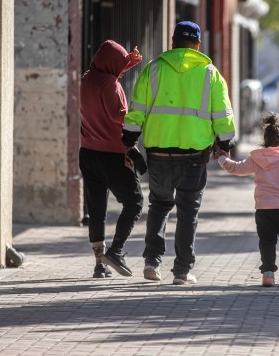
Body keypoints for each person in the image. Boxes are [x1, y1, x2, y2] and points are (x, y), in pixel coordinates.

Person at [122, 21, 235, 285]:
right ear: (197, 45)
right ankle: (182, 271)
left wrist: (129, 139)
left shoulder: (153, 69)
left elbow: (136, 109)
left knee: (159, 205)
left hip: (159, 152)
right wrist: (225, 143)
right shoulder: (210, 73)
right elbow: (223, 114)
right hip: (194, 155)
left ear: (172, 42)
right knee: (188, 211)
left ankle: (152, 261)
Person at [215, 112, 279, 287]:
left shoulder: (257, 159)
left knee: (266, 242)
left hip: (264, 210)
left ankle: (268, 274)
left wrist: (221, 158)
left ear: (265, 139)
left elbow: (235, 168)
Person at [80, 40, 145, 278]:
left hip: (88, 153)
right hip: (113, 155)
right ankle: (116, 251)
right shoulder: (111, 84)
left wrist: (128, 62)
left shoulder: (87, 77)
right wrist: (140, 115)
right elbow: (118, 117)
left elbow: (107, 71)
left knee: (97, 209)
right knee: (135, 202)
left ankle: (100, 263)